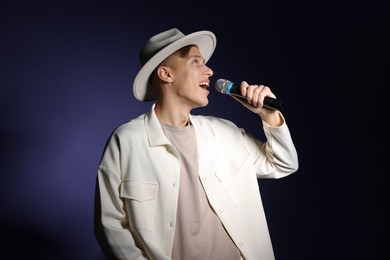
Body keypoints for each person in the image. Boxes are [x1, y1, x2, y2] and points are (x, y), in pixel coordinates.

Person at [94, 28, 299, 260]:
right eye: (196, 62)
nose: (210, 71)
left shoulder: (225, 132)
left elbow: (283, 164)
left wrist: (268, 116)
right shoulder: (127, 140)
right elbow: (110, 226)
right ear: (166, 74)